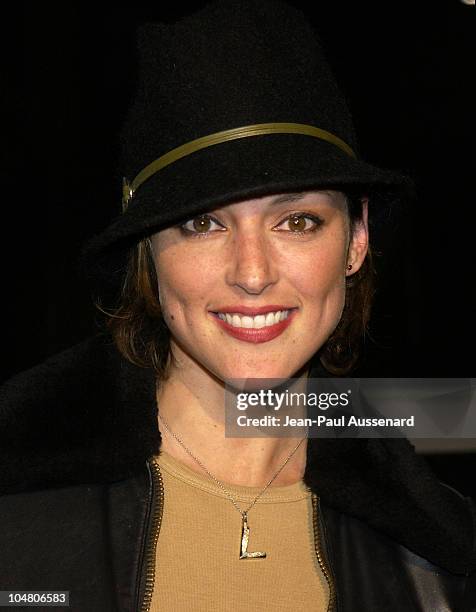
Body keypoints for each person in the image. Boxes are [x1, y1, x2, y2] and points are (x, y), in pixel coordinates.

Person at [1, 1, 475, 611]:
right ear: (146, 253)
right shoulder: (18, 508)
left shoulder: (435, 559)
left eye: (298, 221)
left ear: (356, 240)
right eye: (202, 224)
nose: (252, 273)